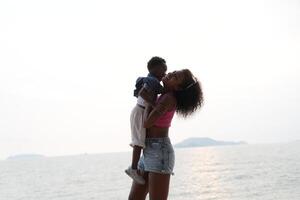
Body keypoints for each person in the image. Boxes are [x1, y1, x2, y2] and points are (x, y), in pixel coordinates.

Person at [128, 69, 204, 200]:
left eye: (176, 77)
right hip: (148, 150)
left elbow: (147, 123)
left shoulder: (169, 99)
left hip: (159, 152)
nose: (171, 74)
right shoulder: (164, 95)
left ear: (178, 87)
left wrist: (148, 102)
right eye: (174, 72)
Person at [125, 57, 167, 184]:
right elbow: (143, 93)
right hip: (140, 111)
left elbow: (162, 90)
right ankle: (133, 169)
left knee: (140, 141)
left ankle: (136, 166)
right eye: (163, 70)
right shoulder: (151, 80)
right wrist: (154, 105)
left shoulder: (152, 80)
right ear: (154, 69)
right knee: (138, 142)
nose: (165, 73)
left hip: (142, 111)